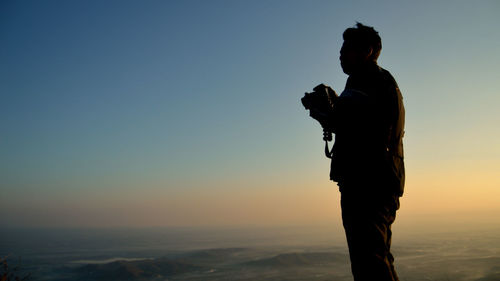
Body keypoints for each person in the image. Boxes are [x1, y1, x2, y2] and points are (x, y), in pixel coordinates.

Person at [309, 23, 405, 281]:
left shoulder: (368, 81)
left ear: (367, 50)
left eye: (346, 50)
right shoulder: (376, 83)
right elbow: (360, 124)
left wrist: (323, 111)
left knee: (369, 263)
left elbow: (346, 122)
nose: (340, 55)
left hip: (368, 184)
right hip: (376, 181)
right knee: (376, 257)